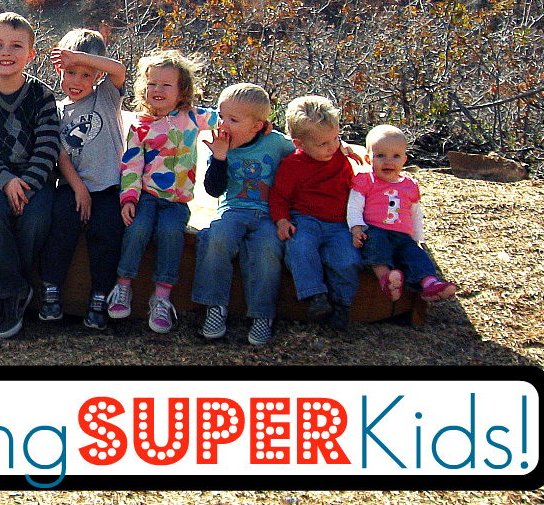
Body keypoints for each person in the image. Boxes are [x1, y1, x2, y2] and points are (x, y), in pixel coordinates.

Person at [0, 12, 61, 339]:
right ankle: (12, 294)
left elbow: (48, 145)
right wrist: (6, 181)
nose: (6, 52)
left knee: (36, 219)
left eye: (16, 46)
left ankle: (0, 287)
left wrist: (27, 183)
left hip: (37, 179)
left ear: (31, 54)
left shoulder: (41, 95)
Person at [107, 50, 213, 334]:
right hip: (146, 197)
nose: (157, 89)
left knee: (170, 233)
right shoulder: (141, 126)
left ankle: (162, 297)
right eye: (151, 83)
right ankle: (123, 285)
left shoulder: (193, 118)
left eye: (166, 85)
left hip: (176, 200)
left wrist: (258, 123)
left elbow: (227, 119)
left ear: (182, 91)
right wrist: (128, 199)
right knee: (137, 229)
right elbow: (131, 165)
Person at [192, 82, 295, 346]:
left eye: (233, 120)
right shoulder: (220, 145)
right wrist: (219, 158)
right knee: (215, 238)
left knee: (268, 248)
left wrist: (339, 148)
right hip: (233, 210)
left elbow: (303, 152)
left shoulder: (275, 143)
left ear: (258, 126)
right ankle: (214, 307)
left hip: (268, 213)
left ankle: (262, 315)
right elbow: (214, 190)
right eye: (221, 116)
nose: (223, 125)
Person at [38, 28, 128, 330]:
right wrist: (79, 189)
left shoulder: (106, 96)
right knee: (60, 227)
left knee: (107, 235)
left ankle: (100, 297)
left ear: (97, 75)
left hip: (108, 187)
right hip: (73, 186)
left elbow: (118, 69)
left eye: (86, 74)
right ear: (59, 70)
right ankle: (51, 290)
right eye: (70, 72)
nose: (76, 81)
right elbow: (60, 154)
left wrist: (78, 57)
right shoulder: (55, 108)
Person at [269, 95, 362, 329]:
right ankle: (315, 296)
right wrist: (282, 220)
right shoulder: (292, 165)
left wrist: (346, 148)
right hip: (306, 218)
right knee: (299, 247)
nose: (332, 147)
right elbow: (279, 196)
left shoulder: (339, 154)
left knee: (347, 258)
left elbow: (359, 169)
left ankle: (342, 305)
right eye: (323, 144)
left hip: (339, 222)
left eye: (335, 139)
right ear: (299, 144)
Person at [349, 124, 460, 303]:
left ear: (404, 160)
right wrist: (357, 229)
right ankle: (386, 279)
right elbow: (354, 207)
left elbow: (415, 214)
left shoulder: (409, 185)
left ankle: (429, 284)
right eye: (380, 155)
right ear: (369, 159)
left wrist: (418, 239)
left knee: (416, 255)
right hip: (375, 230)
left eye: (396, 156)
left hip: (402, 236)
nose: (388, 161)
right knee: (375, 245)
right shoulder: (366, 180)